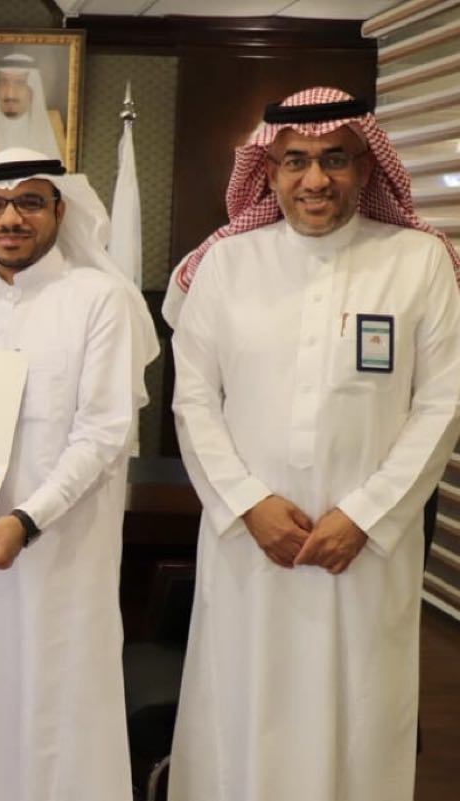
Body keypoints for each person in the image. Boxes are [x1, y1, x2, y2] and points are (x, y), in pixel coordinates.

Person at [164, 86, 460, 801]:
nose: (315, 179)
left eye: (335, 158)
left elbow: (443, 403)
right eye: (295, 161)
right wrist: (248, 504)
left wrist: (364, 515)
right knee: (241, 707)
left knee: (359, 715)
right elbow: (194, 400)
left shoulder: (419, 261)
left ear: (367, 166)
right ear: (268, 172)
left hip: (365, 550)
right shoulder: (225, 265)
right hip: (248, 543)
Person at [0, 148, 159, 801]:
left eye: (29, 202)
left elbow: (103, 434)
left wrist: (26, 520)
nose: (10, 219)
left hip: (59, 555)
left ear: (60, 210)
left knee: (55, 710)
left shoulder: (101, 299)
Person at [0, 53, 66, 170]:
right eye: (3, 82)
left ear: (33, 88)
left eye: (20, 83)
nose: (10, 94)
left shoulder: (57, 125)